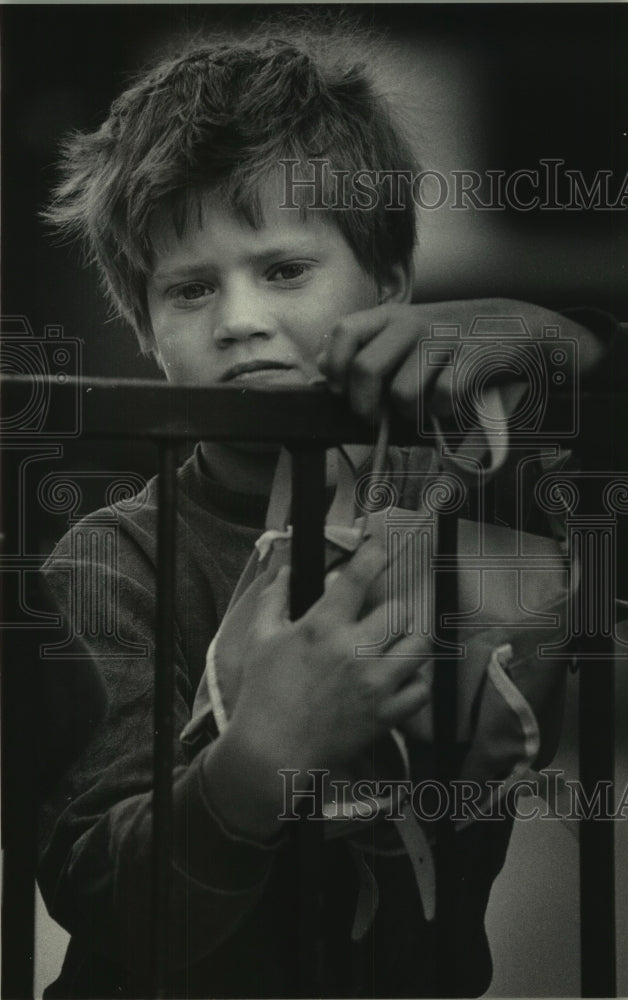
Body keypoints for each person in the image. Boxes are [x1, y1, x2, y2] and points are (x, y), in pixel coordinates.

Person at [37, 19, 617, 999]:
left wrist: (563, 342)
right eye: (188, 290)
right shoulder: (110, 564)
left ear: (387, 284)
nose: (240, 318)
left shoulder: (479, 484)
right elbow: (102, 894)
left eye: (283, 270)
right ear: (145, 330)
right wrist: (254, 762)